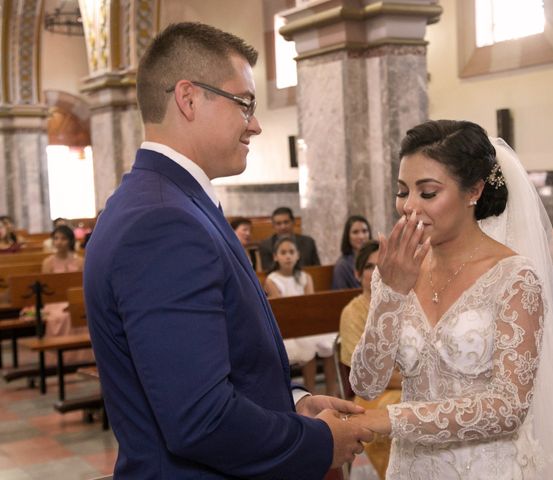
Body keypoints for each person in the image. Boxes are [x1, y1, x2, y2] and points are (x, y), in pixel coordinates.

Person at [83, 22, 371, 479]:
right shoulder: (163, 222)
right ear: (189, 98)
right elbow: (200, 419)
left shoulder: (168, 201)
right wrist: (319, 441)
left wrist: (294, 404)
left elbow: (220, 364)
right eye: (244, 104)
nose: (255, 123)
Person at [348, 120, 553, 479]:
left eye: (427, 193)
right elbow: (365, 383)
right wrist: (391, 295)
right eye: (402, 191)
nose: (408, 207)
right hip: (409, 469)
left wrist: (389, 418)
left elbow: (508, 407)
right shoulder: (397, 269)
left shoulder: (515, 277)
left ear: (473, 191)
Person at [339, 239, 401, 478]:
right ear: (357, 273)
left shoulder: (403, 302)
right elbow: (366, 374)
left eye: (381, 264)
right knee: (398, 407)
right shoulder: (352, 312)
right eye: (369, 266)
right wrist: (412, 380)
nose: (376, 271)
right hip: (371, 395)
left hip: (407, 383)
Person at [265, 237, 338, 397]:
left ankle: (332, 390)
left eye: (291, 252)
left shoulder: (305, 277)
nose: (288, 256)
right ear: (275, 257)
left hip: (306, 325)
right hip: (288, 328)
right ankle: (310, 392)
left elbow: (309, 304)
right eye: (283, 253)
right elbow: (282, 308)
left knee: (328, 344)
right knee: (308, 348)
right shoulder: (272, 280)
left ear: (298, 255)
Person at [258, 206, 321, 271]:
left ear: (293, 222)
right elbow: (267, 270)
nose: (283, 227)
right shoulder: (265, 245)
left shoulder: (308, 242)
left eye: (286, 222)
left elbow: (317, 269)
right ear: (273, 225)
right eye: (278, 224)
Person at [332, 215, 372, 290]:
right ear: (347, 236)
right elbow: (340, 297)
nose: (361, 236)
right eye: (355, 232)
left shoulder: (376, 258)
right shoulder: (342, 266)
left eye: (364, 231)